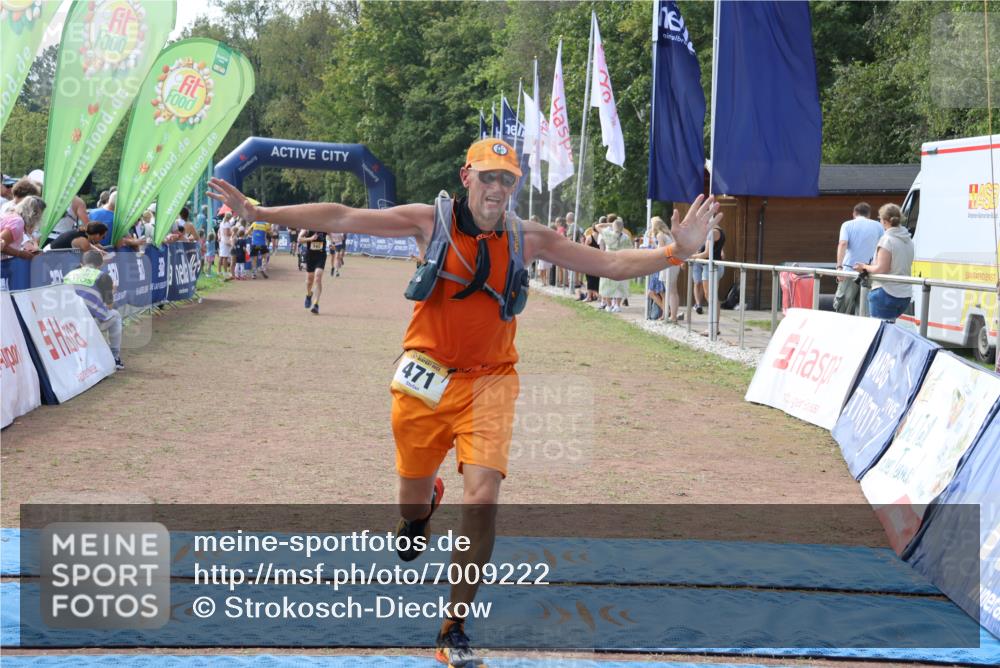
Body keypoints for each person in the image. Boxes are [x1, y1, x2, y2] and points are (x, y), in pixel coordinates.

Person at [207, 137, 720, 667]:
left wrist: (674, 251)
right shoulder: (431, 223)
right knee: (409, 507)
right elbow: (341, 215)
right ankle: (420, 509)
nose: (498, 188)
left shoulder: (528, 238)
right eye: (488, 176)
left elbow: (608, 264)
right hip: (424, 379)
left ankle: (453, 628)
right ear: (466, 177)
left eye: (507, 179)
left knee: (482, 497)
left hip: (490, 382)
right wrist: (257, 210)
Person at [63, 250, 125, 370]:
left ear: (82, 263)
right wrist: (113, 291)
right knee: (116, 316)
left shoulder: (68, 275)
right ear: (101, 265)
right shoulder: (102, 276)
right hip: (89, 322)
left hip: (67, 321)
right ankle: (115, 357)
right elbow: (109, 306)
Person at [854, 203, 914, 322]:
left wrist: (864, 266)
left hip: (886, 292)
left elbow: (882, 269)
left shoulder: (887, 240)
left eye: (880, 219)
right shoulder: (908, 240)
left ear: (885, 221)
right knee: (890, 330)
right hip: (905, 295)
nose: (880, 222)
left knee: (880, 332)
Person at [835, 202, 883, 315]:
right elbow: (882, 247)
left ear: (854, 213)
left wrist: (839, 267)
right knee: (864, 311)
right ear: (869, 215)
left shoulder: (847, 225)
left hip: (849, 270)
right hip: (869, 272)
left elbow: (843, 244)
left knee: (843, 308)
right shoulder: (878, 226)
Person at [690, 227, 725, 335]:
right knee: (712, 296)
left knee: (710, 297)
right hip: (714, 266)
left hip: (711, 267)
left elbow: (706, 253)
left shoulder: (712, 232)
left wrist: (691, 256)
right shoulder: (718, 231)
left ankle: (712, 327)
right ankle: (714, 327)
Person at [598, 217, 631, 312]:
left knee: (606, 283)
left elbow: (597, 226)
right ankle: (617, 305)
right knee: (620, 283)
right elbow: (630, 249)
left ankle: (608, 305)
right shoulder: (626, 237)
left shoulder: (608, 234)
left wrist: (609, 224)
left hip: (609, 259)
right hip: (621, 260)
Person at [298, 228, 327, 314]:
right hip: (310, 255)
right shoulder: (307, 227)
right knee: (309, 281)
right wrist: (310, 239)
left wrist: (333, 243)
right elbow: (299, 239)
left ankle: (316, 304)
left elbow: (332, 235)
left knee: (318, 278)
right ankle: (309, 294)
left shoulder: (324, 226)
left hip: (321, 254)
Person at [218, 213, 235, 279]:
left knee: (221, 256)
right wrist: (233, 232)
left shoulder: (222, 222)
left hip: (222, 240)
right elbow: (227, 233)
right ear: (229, 217)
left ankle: (219, 271)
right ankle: (225, 272)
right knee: (225, 257)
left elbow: (220, 231)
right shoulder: (227, 224)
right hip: (226, 241)